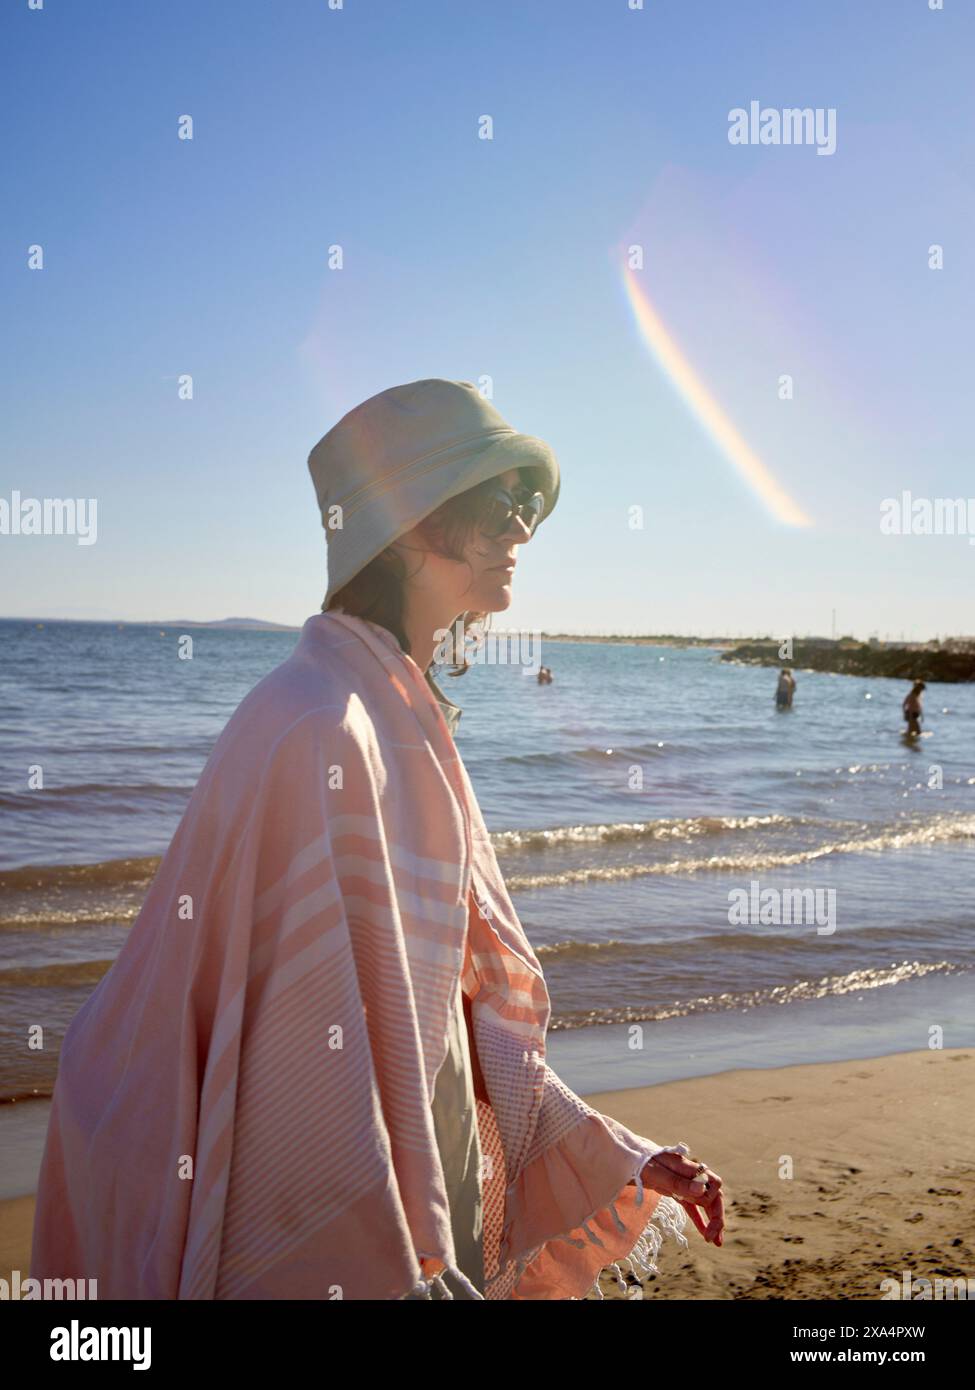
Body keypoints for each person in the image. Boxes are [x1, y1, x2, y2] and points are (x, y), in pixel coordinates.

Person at [30, 378, 723, 1302]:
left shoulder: (395, 708)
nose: (523, 531)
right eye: (499, 505)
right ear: (409, 526)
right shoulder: (319, 723)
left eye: (526, 508)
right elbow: (297, 1058)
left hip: (426, 1156)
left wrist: (618, 1154)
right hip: (366, 1205)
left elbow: (443, 1012)